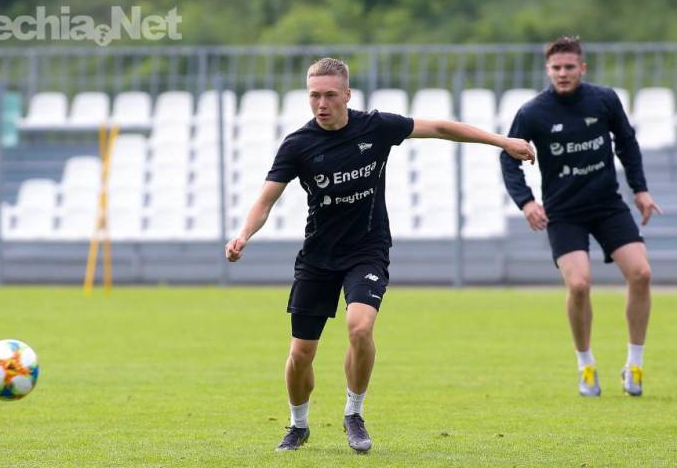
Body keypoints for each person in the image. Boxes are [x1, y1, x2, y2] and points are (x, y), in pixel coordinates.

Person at [225, 57, 534, 453]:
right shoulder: (298, 145)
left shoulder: (376, 127)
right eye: (314, 96)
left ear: (347, 95)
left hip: (367, 250)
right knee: (301, 354)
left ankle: (354, 414)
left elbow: (441, 128)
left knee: (360, 327)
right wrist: (243, 235)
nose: (321, 103)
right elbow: (266, 200)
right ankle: (298, 424)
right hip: (318, 257)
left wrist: (503, 142)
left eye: (330, 95)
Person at [500, 37, 661, 397]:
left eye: (569, 67)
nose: (562, 73)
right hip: (564, 212)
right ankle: (586, 365)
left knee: (642, 273)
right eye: (556, 68)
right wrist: (526, 202)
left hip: (607, 205)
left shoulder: (604, 100)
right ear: (548, 70)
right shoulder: (532, 112)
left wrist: (640, 190)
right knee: (579, 285)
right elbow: (508, 158)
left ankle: (634, 365)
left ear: (582, 68)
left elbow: (627, 142)